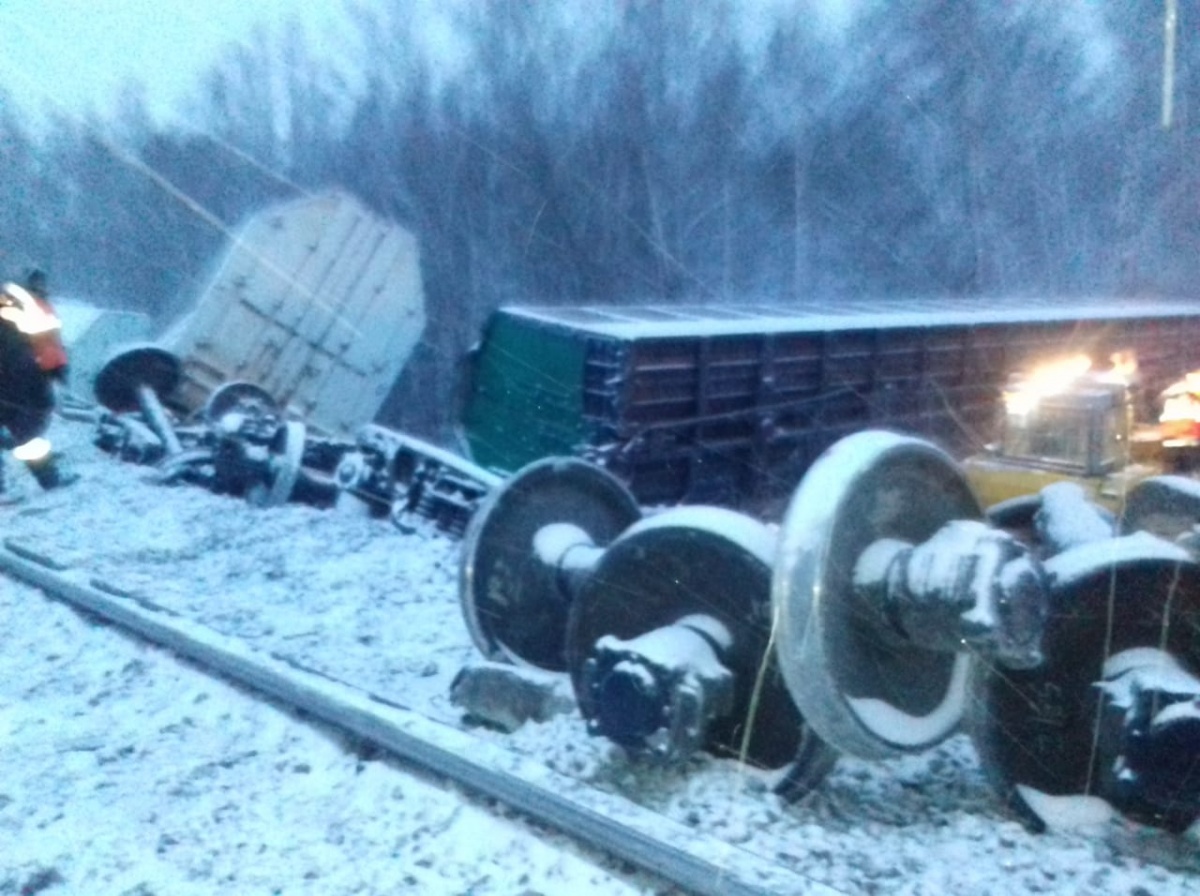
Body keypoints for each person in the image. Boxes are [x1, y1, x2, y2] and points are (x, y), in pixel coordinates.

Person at [0, 271, 77, 494]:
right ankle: (48, 480)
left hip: (16, 381)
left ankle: (47, 480)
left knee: (28, 436)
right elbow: (43, 346)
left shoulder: (11, 307)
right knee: (29, 435)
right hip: (21, 382)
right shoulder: (22, 308)